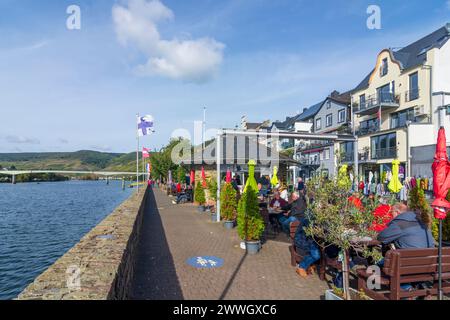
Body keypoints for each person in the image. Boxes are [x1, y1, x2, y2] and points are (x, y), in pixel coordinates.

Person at [376, 203, 435, 293]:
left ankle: (406, 287)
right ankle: (416, 284)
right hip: (427, 264)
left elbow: (381, 237)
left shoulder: (400, 223)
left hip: (407, 265)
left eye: (392, 213)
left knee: (381, 266)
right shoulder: (422, 221)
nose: (391, 216)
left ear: (397, 212)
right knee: (395, 263)